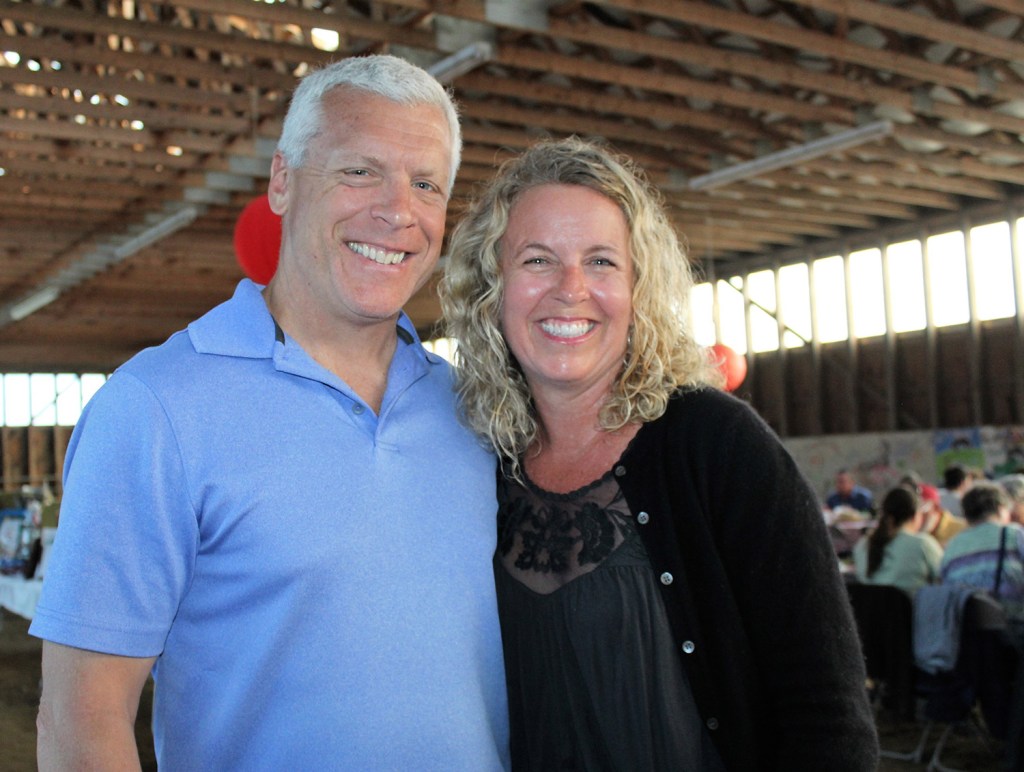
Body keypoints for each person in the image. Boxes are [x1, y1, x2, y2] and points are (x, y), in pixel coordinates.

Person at [30, 55, 510, 771]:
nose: (397, 211)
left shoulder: (475, 410)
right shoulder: (155, 409)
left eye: (426, 184)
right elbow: (81, 722)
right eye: (360, 171)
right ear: (282, 181)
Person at [440, 136, 878, 770]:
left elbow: (827, 711)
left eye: (601, 262)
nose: (570, 288)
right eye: (537, 260)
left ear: (638, 288)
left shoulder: (716, 443)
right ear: (492, 288)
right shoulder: (479, 459)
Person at [941, 481, 1024, 640]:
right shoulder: (1015, 535)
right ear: (1001, 509)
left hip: (967, 637)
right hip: (1012, 632)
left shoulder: (952, 546)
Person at [853, 486, 943, 597]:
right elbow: (945, 577)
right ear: (915, 515)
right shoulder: (923, 544)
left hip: (868, 608)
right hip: (913, 607)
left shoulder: (862, 545)